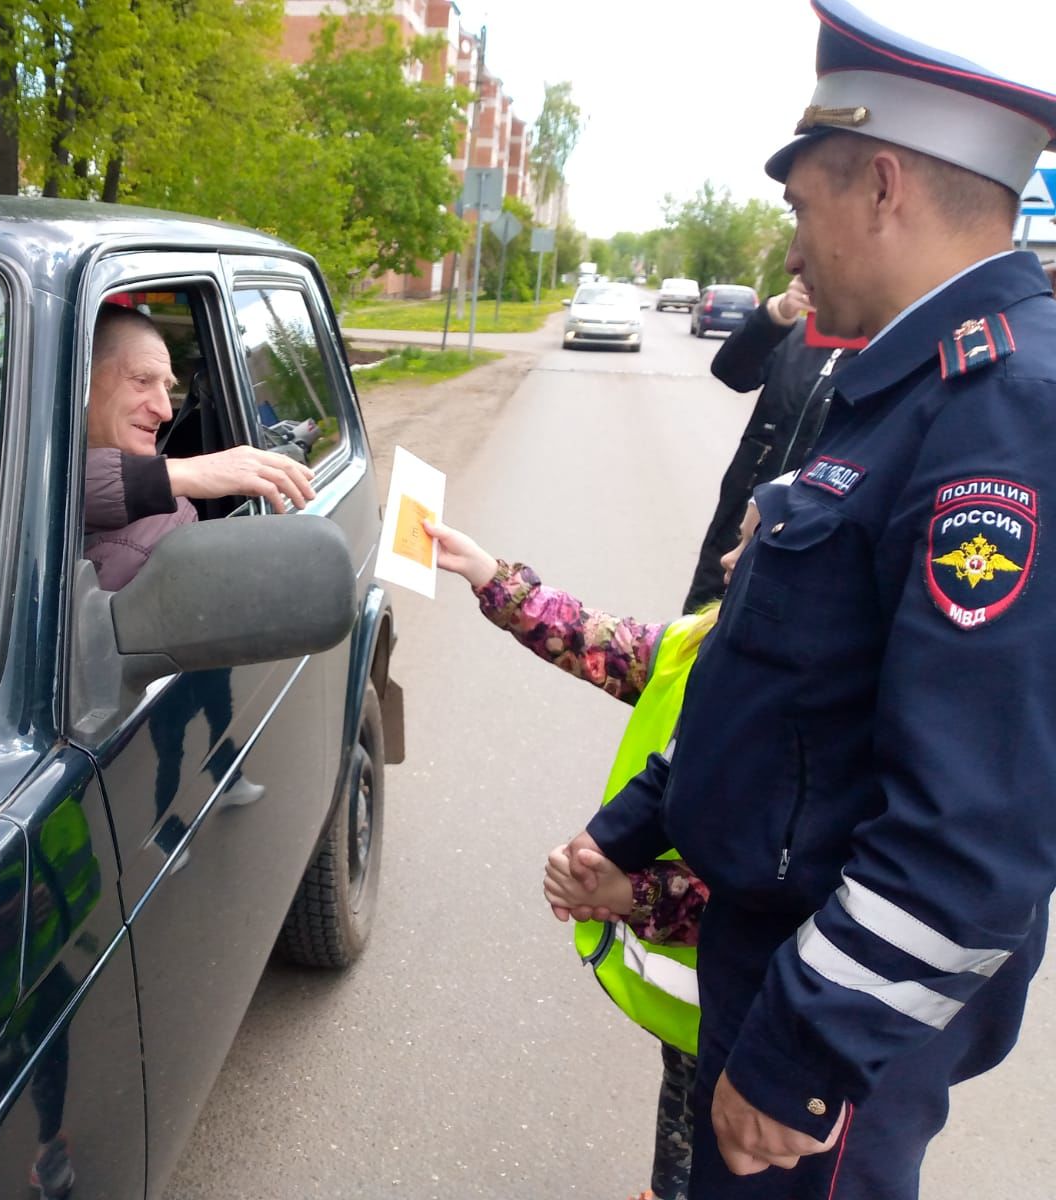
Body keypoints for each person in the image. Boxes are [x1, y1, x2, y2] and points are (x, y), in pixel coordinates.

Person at [558, 3, 1056, 1196]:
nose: (787, 249)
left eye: (797, 206)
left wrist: (801, 1054)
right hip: (768, 957)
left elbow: (972, 835)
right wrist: (629, 825)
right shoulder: (897, 383)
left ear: (880, 184)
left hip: (827, 1013)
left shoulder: (1004, 411)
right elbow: (783, 685)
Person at [425, 505, 760, 1200]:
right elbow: (591, 637)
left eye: (756, 544)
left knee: (737, 1155)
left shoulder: (799, 706)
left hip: (763, 1014)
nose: (727, 561)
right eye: (736, 539)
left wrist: (625, 893)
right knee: (686, 1111)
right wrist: (488, 573)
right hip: (701, 1004)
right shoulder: (702, 641)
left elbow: (766, 892)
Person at [83, 304, 315, 590]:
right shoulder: (14, 452)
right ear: (78, 379)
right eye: (142, 381)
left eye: (168, 387)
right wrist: (178, 474)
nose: (166, 411)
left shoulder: (166, 522)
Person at [682, 277, 865, 613]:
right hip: (742, 514)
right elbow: (731, 371)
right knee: (700, 621)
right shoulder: (798, 336)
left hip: (807, 531)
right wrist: (776, 314)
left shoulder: (882, 356)